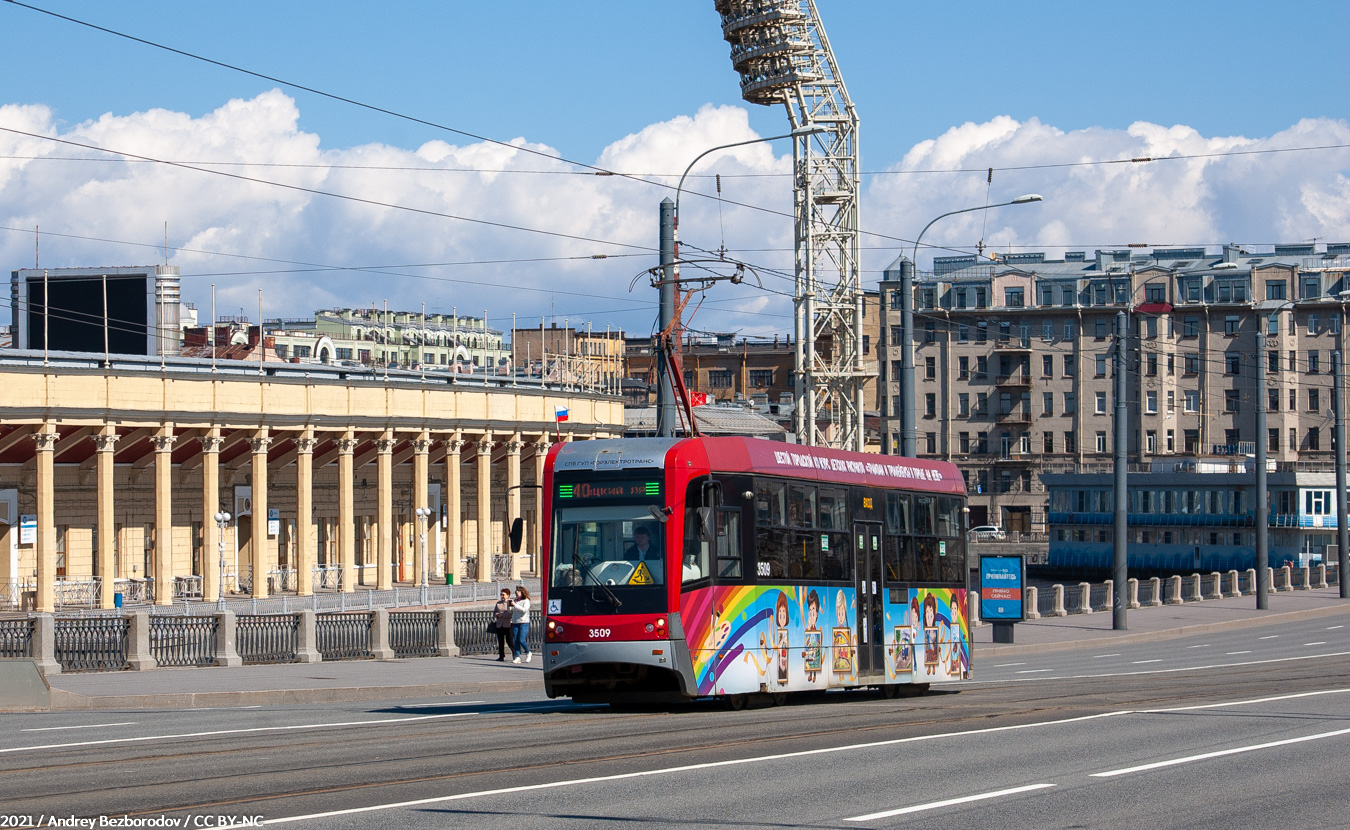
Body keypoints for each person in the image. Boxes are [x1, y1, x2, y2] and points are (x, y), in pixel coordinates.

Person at [510, 585, 532, 663]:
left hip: (523, 622)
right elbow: (511, 611)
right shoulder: (515, 600)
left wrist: (515, 605)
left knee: (521, 639)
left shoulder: (526, 601)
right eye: (516, 592)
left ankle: (528, 652)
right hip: (515, 622)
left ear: (522, 592)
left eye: (518, 592)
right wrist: (510, 606)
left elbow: (524, 610)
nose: (516, 593)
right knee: (515, 640)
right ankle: (517, 656)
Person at [491, 588, 513, 662]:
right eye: (501, 594)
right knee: (500, 641)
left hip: (508, 624)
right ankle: (501, 656)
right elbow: (494, 613)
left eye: (503, 595)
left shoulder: (510, 603)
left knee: (509, 640)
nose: (502, 596)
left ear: (508, 595)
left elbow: (511, 613)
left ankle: (515, 653)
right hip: (499, 624)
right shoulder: (498, 603)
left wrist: (503, 615)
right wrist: (497, 615)